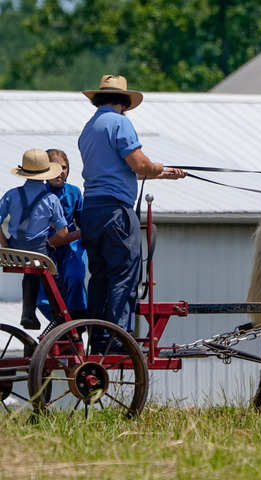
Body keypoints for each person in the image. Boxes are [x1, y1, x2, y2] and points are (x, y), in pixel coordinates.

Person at [78, 75, 184, 349]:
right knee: (124, 272)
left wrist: (162, 174)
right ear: (124, 102)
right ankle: (118, 336)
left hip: (91, 209)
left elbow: (115, 171)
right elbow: (139, 164)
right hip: (116, 212)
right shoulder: (120, 123)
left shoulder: (89, 128)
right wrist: (157, 168)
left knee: (100, 274)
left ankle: (99, 337)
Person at [0, 149, 80, 329]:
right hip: (39, 253)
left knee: (30, 271)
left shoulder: (11, 194)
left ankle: (27, 312)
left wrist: (4, 242)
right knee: (53, 274)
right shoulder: (51, 199)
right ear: (46, 172)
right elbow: (62, 233)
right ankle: (59, 315)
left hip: (13, 251)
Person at [36, 149, 88, 326]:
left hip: (71, 246)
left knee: (75, 278)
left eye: (64, 167)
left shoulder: (74, 192)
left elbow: (83, 222)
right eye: (54, 167)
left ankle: (77, 321)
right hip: (46, 248)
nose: (60, 171)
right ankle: (59, 323)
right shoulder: (37, 194)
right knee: (44, 295)